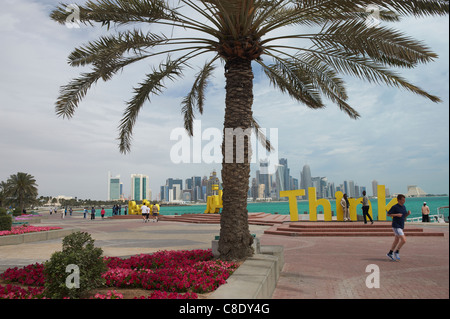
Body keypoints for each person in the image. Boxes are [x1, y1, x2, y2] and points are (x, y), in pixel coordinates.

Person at [386, 194, 411, 261]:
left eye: (404, 200)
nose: (404, 201)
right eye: (403, 200)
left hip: (401, 225)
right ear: (399, 200)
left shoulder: (404, 207)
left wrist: (408, 214)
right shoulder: (395, 207)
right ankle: (397, 251)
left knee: (396, 240)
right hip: (396, 226)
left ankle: (390, 253)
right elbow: (388, 214)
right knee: (404, 240)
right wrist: (396, 215)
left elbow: (403, 216)